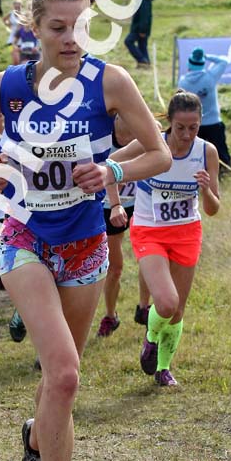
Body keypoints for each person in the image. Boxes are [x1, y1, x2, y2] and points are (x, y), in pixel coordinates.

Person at [0, 0, 170, 461]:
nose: (71, 38)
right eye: (58, 27)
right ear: (33, 28)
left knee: (59, 385)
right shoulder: (9, 86)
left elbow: (161, 151)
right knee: (67, 373)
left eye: (80, 25)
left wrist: (114, 175)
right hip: (25, 238)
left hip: (85, 244)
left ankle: (33, 436)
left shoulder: (111, 82)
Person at [125, 90, 220, 386]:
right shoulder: (150, 145)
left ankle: (163, 369)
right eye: (180, 128)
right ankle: (151, 337)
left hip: (187, 231)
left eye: (194, 128)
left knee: (178, 310)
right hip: (149, 229)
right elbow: (111, 164)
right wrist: (115, 203)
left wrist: (205, 190)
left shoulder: (207, 152)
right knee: (166, 302)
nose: (187, 134)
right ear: (170, 123)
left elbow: (213, 208)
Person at [96, 115, 138, 336]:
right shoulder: (102, 132)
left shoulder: (144, 128)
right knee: (115, 267)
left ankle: (145, 306)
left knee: (151, 256)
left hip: (140, 203)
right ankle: (111, 316)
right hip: (108, 206)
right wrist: (115, 203)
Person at [178, 47, 231, 173]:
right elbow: (224, 61)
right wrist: (206, 56)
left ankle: (194, 173)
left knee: (195, 153)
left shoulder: (183, 81)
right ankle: (225, 172)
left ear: (189, 65)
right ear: (202, 64)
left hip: (194, 125)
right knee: (220, 150)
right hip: (213, 122)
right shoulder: (210, 77)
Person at [124, 0, 154, 67]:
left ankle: (142, 60)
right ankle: (145, 63)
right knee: (142, 46)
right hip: (140, 28)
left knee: (128, 41)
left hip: (139, 29)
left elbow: (144, 16)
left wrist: (142, 30)